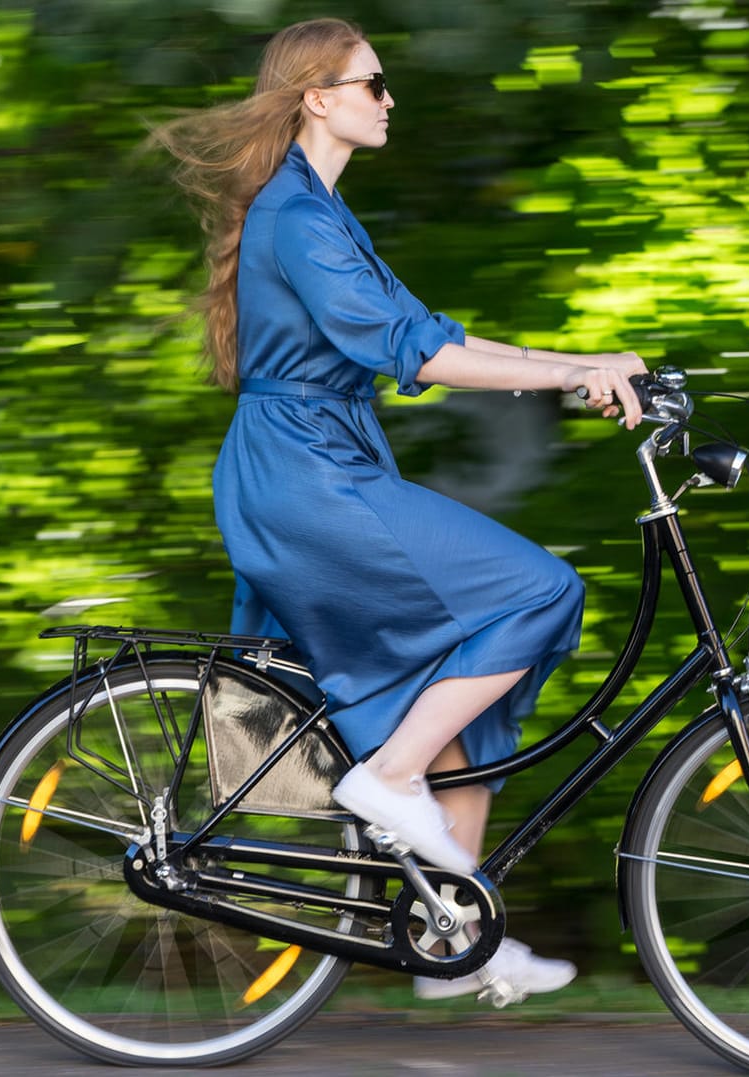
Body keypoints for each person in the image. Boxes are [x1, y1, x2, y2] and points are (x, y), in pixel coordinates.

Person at [148, 17, 646, 1001]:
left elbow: (432, 334)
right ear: (317, 97)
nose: (387, 99)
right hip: (304, 479)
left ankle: (456, 935)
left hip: (327, 465)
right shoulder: (296, 218)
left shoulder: (320, 215)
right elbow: (415, 355)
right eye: (371, 84)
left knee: (461, 701)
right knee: (537, 591)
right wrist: (572, 372)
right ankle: (382, 783)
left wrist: (574, 368)